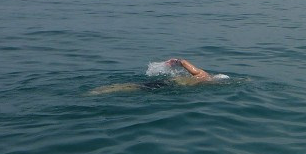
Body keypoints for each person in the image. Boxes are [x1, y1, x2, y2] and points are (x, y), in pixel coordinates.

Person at [87, 57, 219, 94]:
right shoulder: (204, 80)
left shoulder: (202, 74)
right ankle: (102, 91)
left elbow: (183, 61)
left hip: (170, 83)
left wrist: (175, 61)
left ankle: (102, 90)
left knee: (136, 86)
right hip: (170, 86)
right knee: (137, 87)